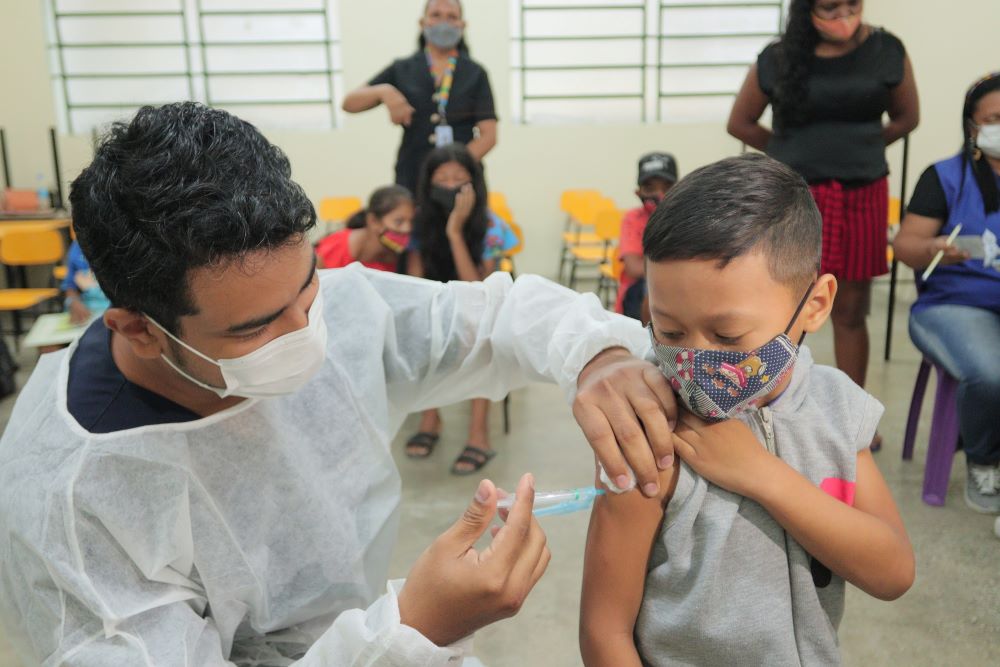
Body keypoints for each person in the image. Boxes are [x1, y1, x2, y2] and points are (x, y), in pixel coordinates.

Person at [0, 102, 679, 665]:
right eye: (256, 329)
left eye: (307, 290)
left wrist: (597, 354)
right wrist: (410, 631)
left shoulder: (332, 305)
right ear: (139, 329)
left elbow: (493, 319)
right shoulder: (76, 501)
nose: (306, 334)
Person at [579, 154, 914, 666]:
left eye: (728, 335)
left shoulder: (837, 408)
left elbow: (893, 572)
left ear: (815, 305)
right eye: (669, 330)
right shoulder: (648, 425)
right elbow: (604, 631)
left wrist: (761, 475)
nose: (695, 359)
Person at [727, 0, 919, 434]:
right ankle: (776, 417)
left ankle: (853, 422)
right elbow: (740, 122)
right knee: (783, 306)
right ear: (807, 9)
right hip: (795, 195)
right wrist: (788, 150)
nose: (844, 16)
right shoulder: (778, 57)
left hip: (862, 191)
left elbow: (908, 117)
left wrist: (862, 146)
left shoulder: (887, 50)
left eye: (852, 4)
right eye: (830, 8)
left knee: (849, 309)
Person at [893, 72, 1000, 515]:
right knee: (990, 373)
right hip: (953, 304)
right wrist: (934, 249)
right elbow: (905, 246)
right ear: (972, 127)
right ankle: (984, 460)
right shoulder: (945, 177)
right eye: (994, 119)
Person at [403, 143, 518, 475]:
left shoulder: (491, 225)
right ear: (428, 184)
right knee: (421, 336)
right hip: (435, 306)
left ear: (475, 183)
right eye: (442, 178)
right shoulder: (418, 223)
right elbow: (414, 285)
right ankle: (430, 419)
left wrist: (455, 231)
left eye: (459, 178)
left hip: (479, 310)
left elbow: (478, 290)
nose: (451, 186)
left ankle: (479, 436)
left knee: (482, 341)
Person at [342, 0, 497, 192]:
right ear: (423, 22)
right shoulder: (402, 68)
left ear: (462, 25)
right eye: (436, 15)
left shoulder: (475, 73)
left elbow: (489, 136)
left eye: (452, 17)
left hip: (461, 179)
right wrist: (384, 91)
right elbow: (349, 103)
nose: (444, 22)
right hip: (412, 176)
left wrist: (453, 169)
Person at [616, 152, 678, 320]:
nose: (659, 194)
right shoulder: (633, 219)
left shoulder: (684, 218)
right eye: (650, 188)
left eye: (666, 187)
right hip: (637, 295)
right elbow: (633, 268)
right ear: (638, 193)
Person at [315, 184, 413, 272]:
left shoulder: (397, 256)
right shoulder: (337, 247)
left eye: (412, 221)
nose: (407, 228)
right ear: (373, 221)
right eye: (398, 221)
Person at [61, 239, 110, 324]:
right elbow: (70, 285)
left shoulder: (122, 241)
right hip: (89, 311)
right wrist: (73, 301)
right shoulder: (77, 247)